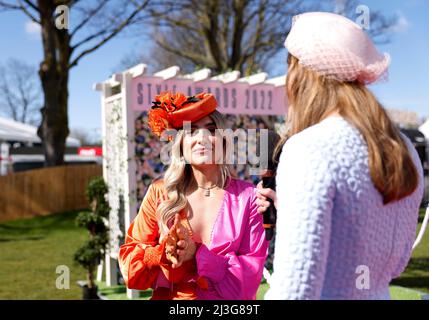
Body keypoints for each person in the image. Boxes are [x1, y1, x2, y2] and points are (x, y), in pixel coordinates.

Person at [256, 12, 424, 299]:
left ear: (301, 73)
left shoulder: (308, 148)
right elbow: (395, 263)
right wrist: (297, 210)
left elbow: (295, 290)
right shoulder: (403, 148)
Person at [118, 91, 269, 300]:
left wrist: (196, 256)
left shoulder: (248, 198)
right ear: (179, 142)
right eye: (192, 131)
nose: (202, 139)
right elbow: (130, 266)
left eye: (211, 129)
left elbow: (248, 281)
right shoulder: (160, 194)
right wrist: (162, 253)